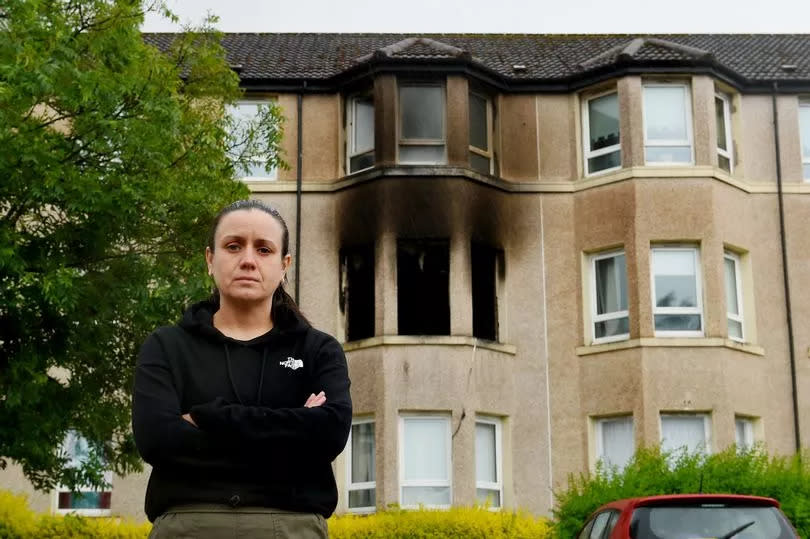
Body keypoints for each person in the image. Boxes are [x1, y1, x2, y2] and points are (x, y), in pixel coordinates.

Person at [132, 199, 352, 538]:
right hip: (188, 527)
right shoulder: (167, 346)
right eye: (233, 246)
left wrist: (208, 417)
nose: (248, 260)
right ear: (210, 259)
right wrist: (291, 427)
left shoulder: (317, 349)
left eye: (264, 249)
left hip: (292, 527)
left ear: (284, 265)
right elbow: (157, 440)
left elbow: (330, 433)